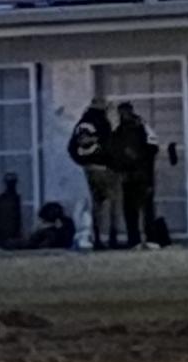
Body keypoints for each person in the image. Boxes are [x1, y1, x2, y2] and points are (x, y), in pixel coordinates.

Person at [68, 98, 119, 250]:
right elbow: (108, 144)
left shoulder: (82, 123)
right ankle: (111, 237)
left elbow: (72, 147)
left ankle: (97, 237)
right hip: (103, 168)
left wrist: (84, 162)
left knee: (97, 204)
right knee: (112, 202)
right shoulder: (100, 123)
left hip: (89, 169)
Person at [110, 102, 160, 248]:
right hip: (130, 176)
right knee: (131, 210)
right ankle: (135, 240)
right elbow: (113, 154)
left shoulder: (142, 127)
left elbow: (153, 148)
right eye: (121, 112)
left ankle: (149, 239)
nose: (123, 115)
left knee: (146, 208)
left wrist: (139, 159)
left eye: (125, 111)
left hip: (142, 174)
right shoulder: (119, 132)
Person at [0, 173, 24, 249]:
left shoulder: (15, 200)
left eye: (12, 183)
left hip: (11, 239)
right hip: (0, 239)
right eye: (10, 183)